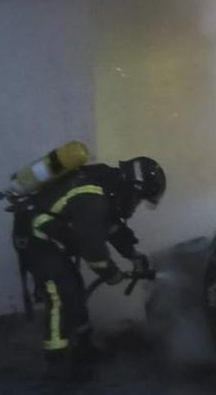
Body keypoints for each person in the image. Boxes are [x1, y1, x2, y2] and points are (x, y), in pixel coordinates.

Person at [18, 156, 166, 379]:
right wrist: (112, 273)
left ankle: (83, 349)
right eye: (138, 199)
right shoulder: (93, 198)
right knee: (61, 295)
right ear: (133, 189)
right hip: (35, 238)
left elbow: (112, 227)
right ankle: (59, 366)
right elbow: (93, 248)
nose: (136, 206)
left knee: (75, 289)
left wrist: (132, 253)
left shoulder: (108, 186)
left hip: (51, 236)